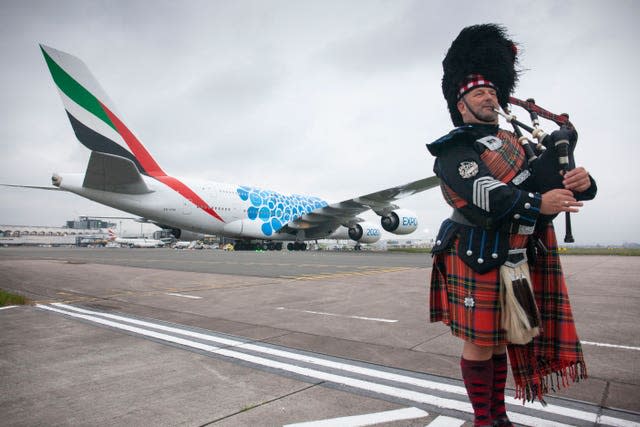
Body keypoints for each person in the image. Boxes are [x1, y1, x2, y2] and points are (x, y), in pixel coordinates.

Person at [426, 24, 597, 427]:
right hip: (475, 252)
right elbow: (482, 194)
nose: (489, 97)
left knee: (503, 338)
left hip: (515, 254)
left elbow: (554, 177)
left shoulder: (520, 144)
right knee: (480, 342)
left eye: (492, 92)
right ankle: (483, 419)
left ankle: (498, 416)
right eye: (478, 93)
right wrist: (539, 202)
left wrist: (583, 183)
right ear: (461, 103)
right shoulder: (455, 147)